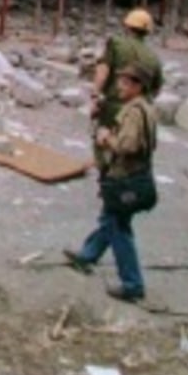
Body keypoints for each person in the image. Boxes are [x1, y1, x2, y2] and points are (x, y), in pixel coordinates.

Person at [64, 68, 159, 303]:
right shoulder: (147, 109)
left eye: (126, 84)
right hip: (136, 174)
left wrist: (106, 137)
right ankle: (88, 255)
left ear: (138, 86)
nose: (120, 87)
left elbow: (127, 146)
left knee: (118, 227)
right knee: (110, 218)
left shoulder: (134, 113)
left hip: (125, 176)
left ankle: (132, 283)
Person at [91, 9, 163, 169]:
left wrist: (95, 96)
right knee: (130, 148)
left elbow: (103, 71)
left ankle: (107, 179)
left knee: (103, 140)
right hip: (139, 110)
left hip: (113, 105)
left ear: (127, 26)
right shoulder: (153, 57)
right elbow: (156, 89)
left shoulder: (116, 43)